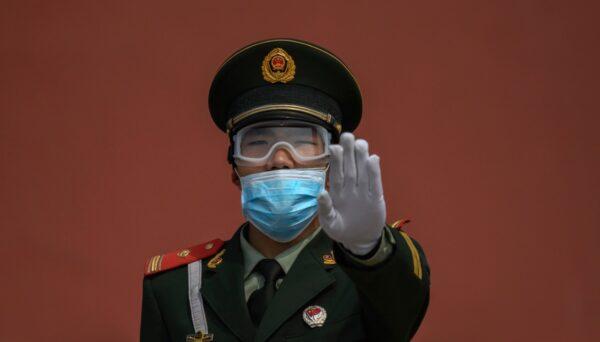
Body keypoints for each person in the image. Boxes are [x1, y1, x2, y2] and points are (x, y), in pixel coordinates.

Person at [140, 38, 430, 342]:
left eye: (303, 142)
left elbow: (405, 308)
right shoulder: (176, 287)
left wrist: (369, 249)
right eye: (257, 143)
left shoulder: (368, 275)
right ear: (234, 169)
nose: (279, 159)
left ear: (331, 166)